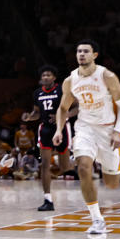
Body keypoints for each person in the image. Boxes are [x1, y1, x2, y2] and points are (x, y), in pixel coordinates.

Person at [54, 40, 120, 235]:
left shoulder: (106, 76)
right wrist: (59, 130)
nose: (81, 54)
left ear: (94, 55)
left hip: (108, 129)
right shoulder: (70, 80)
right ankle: (97, 220)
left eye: (86, 51)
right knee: (84, 166)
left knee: (112, 183)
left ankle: (116, 159)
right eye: (78, 51)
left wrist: (117, 130)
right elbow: (63, 108)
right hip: (85, 127)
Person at [21, 65, 73, 211]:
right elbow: (36, 113)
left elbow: (76, 107)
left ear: (54, 78)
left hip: (61, 128)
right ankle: (47, 199)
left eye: (48, 75)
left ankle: (74, 164)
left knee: (65, 168)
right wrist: (29, 118)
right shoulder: (37, 93)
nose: (45, 77)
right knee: (44, 164)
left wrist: (63, 116)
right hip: (45, 130)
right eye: (43, 75)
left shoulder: (62, 90)